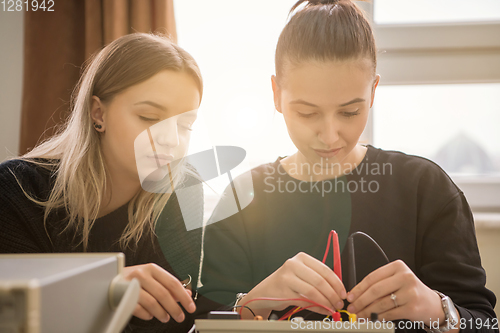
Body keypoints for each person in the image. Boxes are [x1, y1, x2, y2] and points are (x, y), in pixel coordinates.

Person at [198, 1, 498, 332]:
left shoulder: (426, 189)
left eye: (349, 112)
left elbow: (484, 323)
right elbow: (201, 324)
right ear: (276, 94)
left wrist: (438, 310)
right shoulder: (242, 199)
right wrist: (251, 304)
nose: (329, 136)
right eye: (307, 113)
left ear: (372, 92)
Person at [0, 33, 204, 333]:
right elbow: (11, 318)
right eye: (149, 117)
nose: (171, 140)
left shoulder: (183, 187)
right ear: (98, 113)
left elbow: (176, 320)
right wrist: (98, 292)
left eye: (185, 125)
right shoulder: (16, 190)